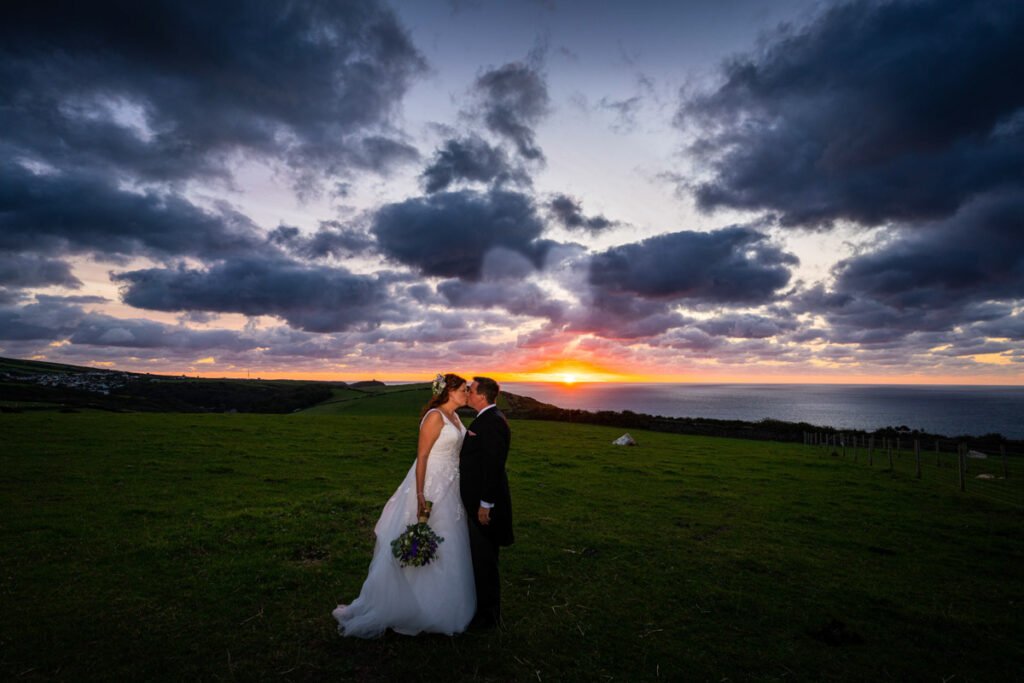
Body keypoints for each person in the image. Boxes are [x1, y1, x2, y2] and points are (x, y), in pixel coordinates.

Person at [332, 373, 476, 637]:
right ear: (449, 391)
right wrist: (420, 494)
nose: (467, 393)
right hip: (432, 484)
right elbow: (421, 456)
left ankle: (442, 602)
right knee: (427, 536)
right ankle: (408, 603)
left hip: (452, 486)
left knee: (449, 540)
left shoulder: (455, 417)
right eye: (463, 389)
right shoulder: (435, 417)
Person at [459, 376, 513, 629]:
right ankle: (484, 609)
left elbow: (493, 467)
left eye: (471, 389)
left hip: (485, 506)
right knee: (482, 557)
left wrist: (485, 505)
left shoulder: (491, 422)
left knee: (485, 560)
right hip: (479, 502)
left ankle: (488, 617)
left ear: (482, 395)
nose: (468, 392)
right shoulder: (487, 418)